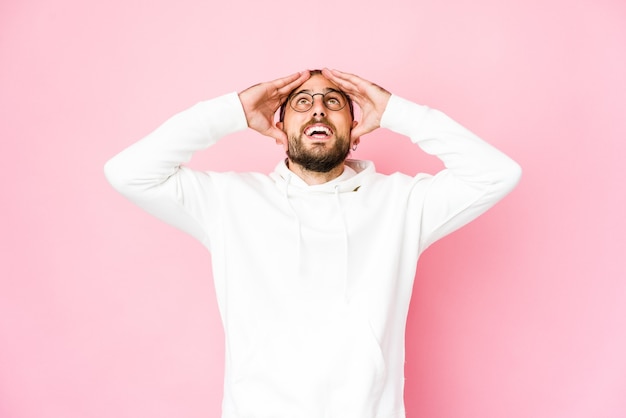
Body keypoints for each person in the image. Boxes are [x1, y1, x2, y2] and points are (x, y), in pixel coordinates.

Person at [104, 68, 521, 418]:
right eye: (302, 102)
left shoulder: (402, 204)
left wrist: (397, 112)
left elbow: (496, 173)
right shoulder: (228, 202)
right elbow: (128, 172)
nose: (318, 108)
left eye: (334, 101)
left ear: (356, 130)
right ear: (279, 129)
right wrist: (234, 112)